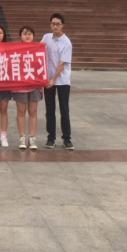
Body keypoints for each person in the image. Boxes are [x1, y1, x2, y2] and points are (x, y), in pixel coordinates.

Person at [42, 13, 74, 151]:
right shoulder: (46, 38)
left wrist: (53, 79)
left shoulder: (66, 42)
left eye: (58, 24)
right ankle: (51, 138)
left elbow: (61, 64)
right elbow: (38, 51)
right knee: (49, 110)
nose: (55, 26)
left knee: (64, 110)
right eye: (53, 24)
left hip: (62, 80)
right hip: (48, 79)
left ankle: (67, 139)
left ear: (63, 25)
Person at [14, 26, 44, 151]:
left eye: (30, 33)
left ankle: (32, 137)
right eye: (24, 33)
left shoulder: (38, 49)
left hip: (34, 85)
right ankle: (22, 137)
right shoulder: (15, 50)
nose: (27, 36)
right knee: (21, 112)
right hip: (20, 85)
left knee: (33, 111)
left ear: (33, 36)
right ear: (20, 36)